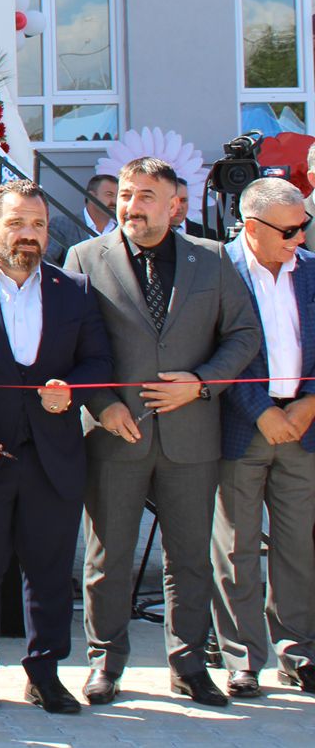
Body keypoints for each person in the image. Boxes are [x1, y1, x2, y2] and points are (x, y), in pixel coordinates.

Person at [63, 156, 260, 706]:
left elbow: (243, 335)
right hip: (114, 433)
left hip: (191, 433)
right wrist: (102, 406)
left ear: (176, 205)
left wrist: (200, 384)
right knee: (109, 558)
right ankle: (106, 662)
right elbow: (73, 344)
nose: (131, 205)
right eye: (126, 194)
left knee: (190, 556)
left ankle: (189, 662)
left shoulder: (213, 259)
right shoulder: (84, 258)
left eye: (146, 196)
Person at [0, 180, 111, 715]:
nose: (29, 235)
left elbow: (98, 363)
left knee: (50, 572)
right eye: (16, 223)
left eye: (38, 224)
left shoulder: (74, 290)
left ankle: (45, 672)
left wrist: (73, 390)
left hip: (51, 458)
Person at [211, 176, 315, 696]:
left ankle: (297, 650)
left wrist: (308, 403)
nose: (300, 237)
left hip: (303, 426)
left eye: (305, 226)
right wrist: (261, 412)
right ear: (252, 227)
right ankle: (242, 658)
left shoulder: (312, 271)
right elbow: (212, 351)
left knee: (300, 543)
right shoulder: (216, 270)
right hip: (240, 427)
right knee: (237, 546)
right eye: (291, 229)